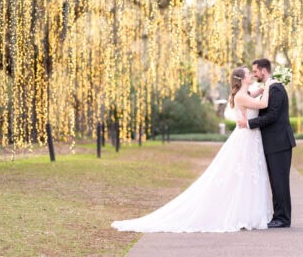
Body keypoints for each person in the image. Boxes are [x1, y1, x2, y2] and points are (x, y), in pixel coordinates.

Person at [111, 66, 274, 233]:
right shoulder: (241, 96)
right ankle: (240, 214)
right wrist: (269, 85)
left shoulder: (244, 94)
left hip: (250, 138)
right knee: (242, 175)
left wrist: (262, 88)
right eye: (248, 73)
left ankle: (247, 213)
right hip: (246, 139)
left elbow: (254, 96)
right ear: (242, 79)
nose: (251, 75)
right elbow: (263, 103)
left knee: (248, 175)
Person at [236, 58, 296, 228]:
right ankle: (279, 216)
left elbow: (272, 116)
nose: (254, 74)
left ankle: (283, 219)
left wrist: (248, 124)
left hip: (279, 143)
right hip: (274, 143)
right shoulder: (269, 87)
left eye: (255, 71)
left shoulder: (275, 88)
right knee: (276, 181)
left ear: (263, 70)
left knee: (280, 181)